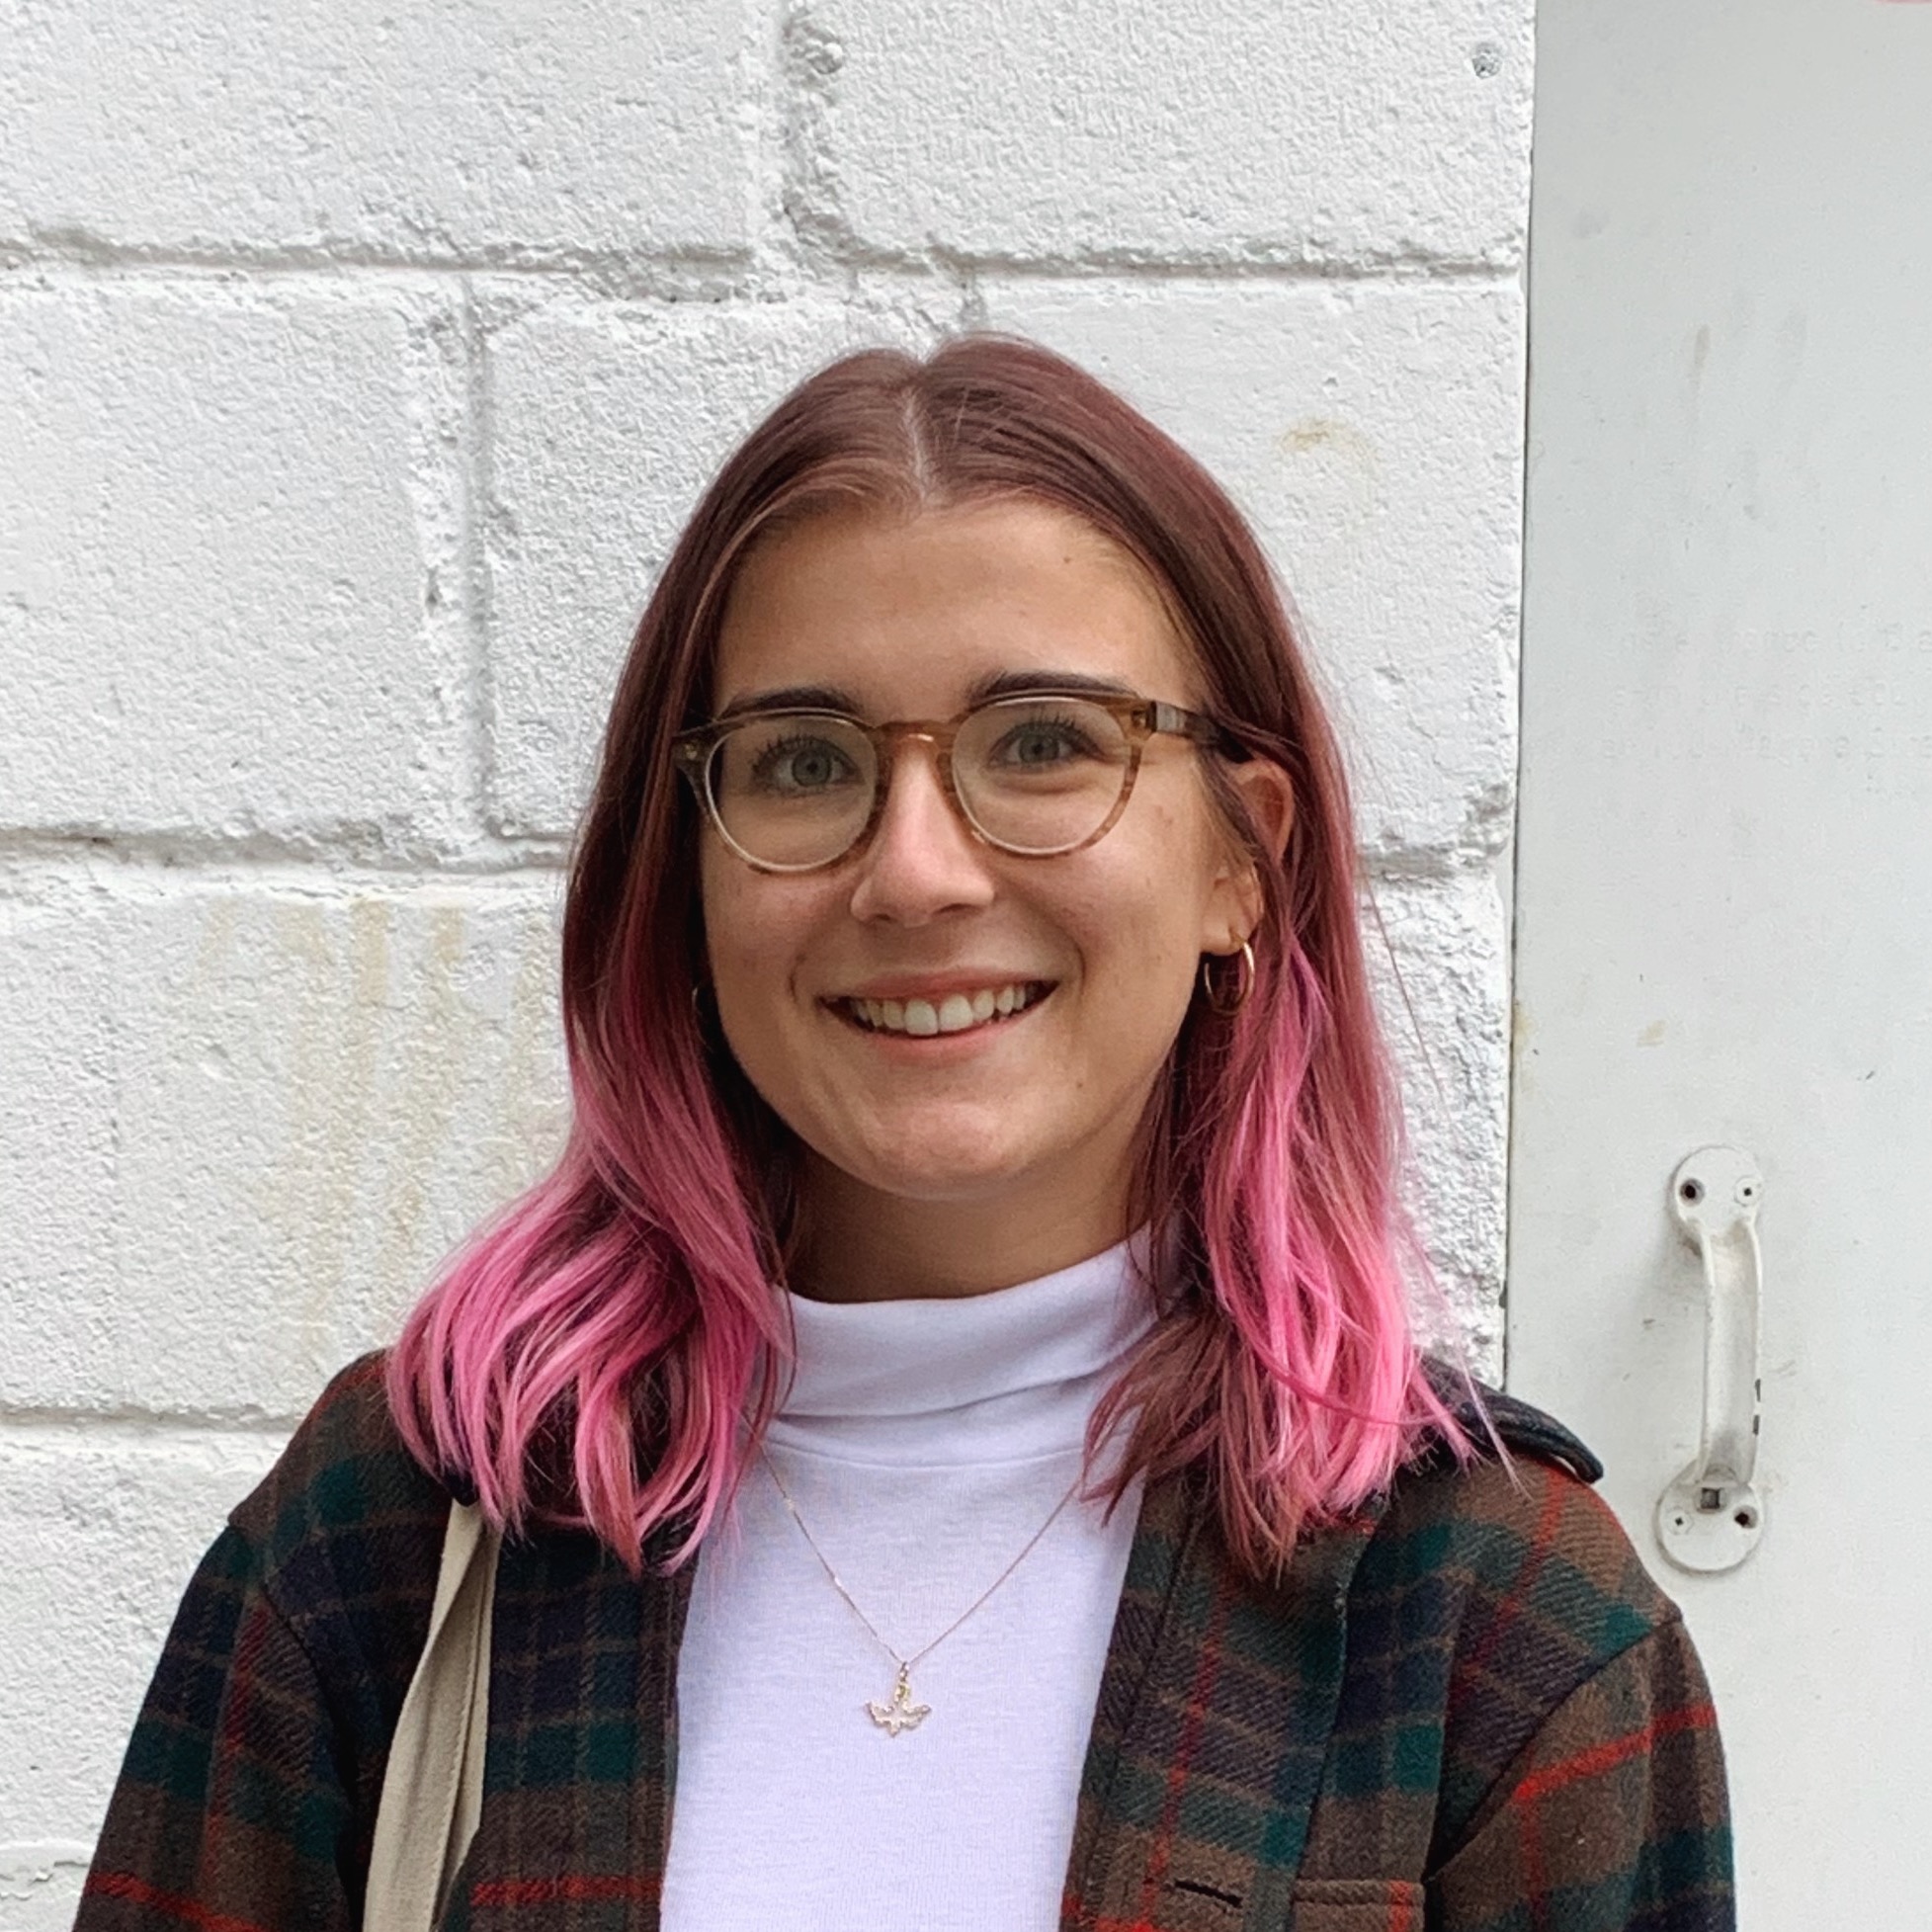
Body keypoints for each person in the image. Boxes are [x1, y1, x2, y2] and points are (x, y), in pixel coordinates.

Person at [76, 337, 1733, 1932]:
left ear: (1243, 855)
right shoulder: (407, 1533)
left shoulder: (1494, 1623)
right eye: (805, 762)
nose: (919, 872)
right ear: (691, 872)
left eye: (1045, 744)